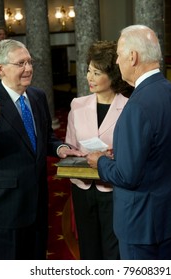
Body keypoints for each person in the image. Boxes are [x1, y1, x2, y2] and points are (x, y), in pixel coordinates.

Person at [0, 39, 84, 260]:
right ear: (1, 69)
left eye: (29, 62)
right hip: (5, 208)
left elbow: (45, 138)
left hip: (37, 203)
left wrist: (60, 149)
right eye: (20, 63)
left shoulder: (37, 96)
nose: (28, 68)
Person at [86, 25, 171, 260]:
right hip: (168, 217)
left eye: (119, 55)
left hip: (140, 224)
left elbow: (126, 176)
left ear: (133, 57)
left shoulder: (137, 106)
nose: (118, 61)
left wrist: (100, 161)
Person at [65, 41, 132, 260]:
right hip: (82, 187)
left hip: (113, 188)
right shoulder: (77, 104)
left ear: (112, 76)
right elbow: (71, 145)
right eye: (88, 71)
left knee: (113, 249)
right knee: (88, 247)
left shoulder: (129, 107)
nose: (89, 77)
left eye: (96, 72)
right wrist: (68, 152)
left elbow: (133, 152)